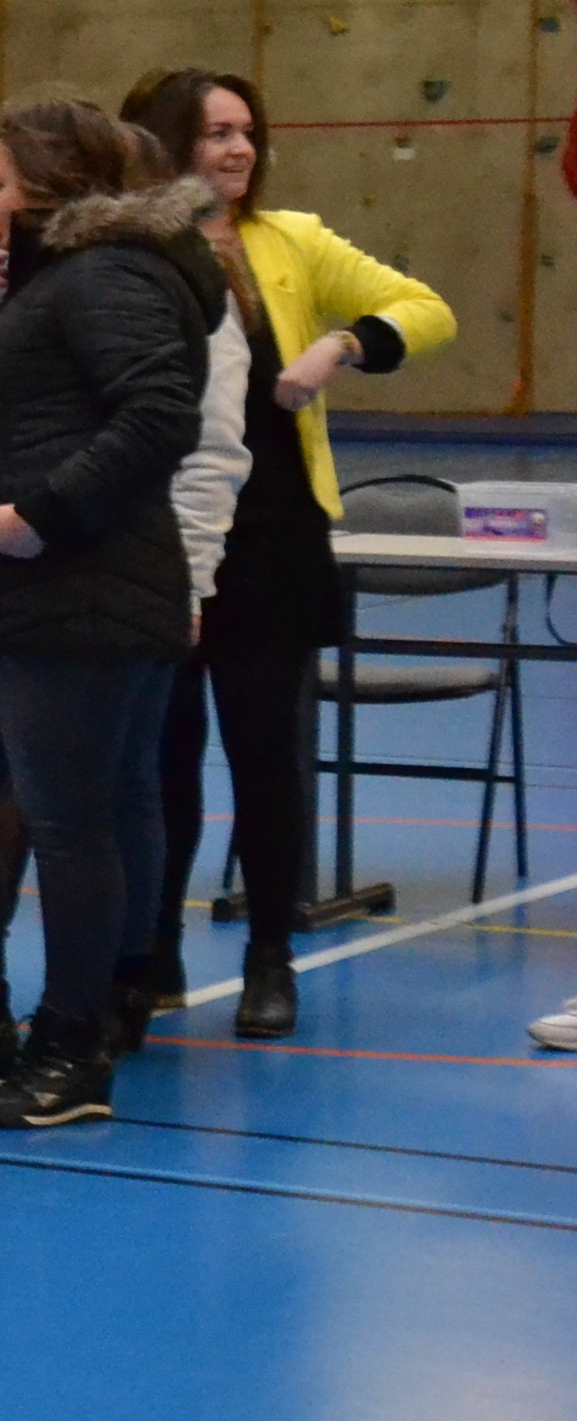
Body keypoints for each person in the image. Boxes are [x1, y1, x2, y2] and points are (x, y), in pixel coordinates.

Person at [0, 98, 214, 1128]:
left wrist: (47, 513)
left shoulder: (108, 276)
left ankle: (73, 1045)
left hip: (79, 594)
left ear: (50, 188)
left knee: (70, 826)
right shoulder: (38, 279)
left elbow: (160, 414)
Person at [121, 68, 451, 1041]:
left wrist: (344, 343)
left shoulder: (293, 242)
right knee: (159, 758)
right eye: (214, 133)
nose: (237, 151)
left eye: (246, 133)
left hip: (272, 540)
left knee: (266, 756)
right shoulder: (135, 253)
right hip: (159, 538)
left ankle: (272, 956)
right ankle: (156, 951)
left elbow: (424, 308)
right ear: (164, 145)